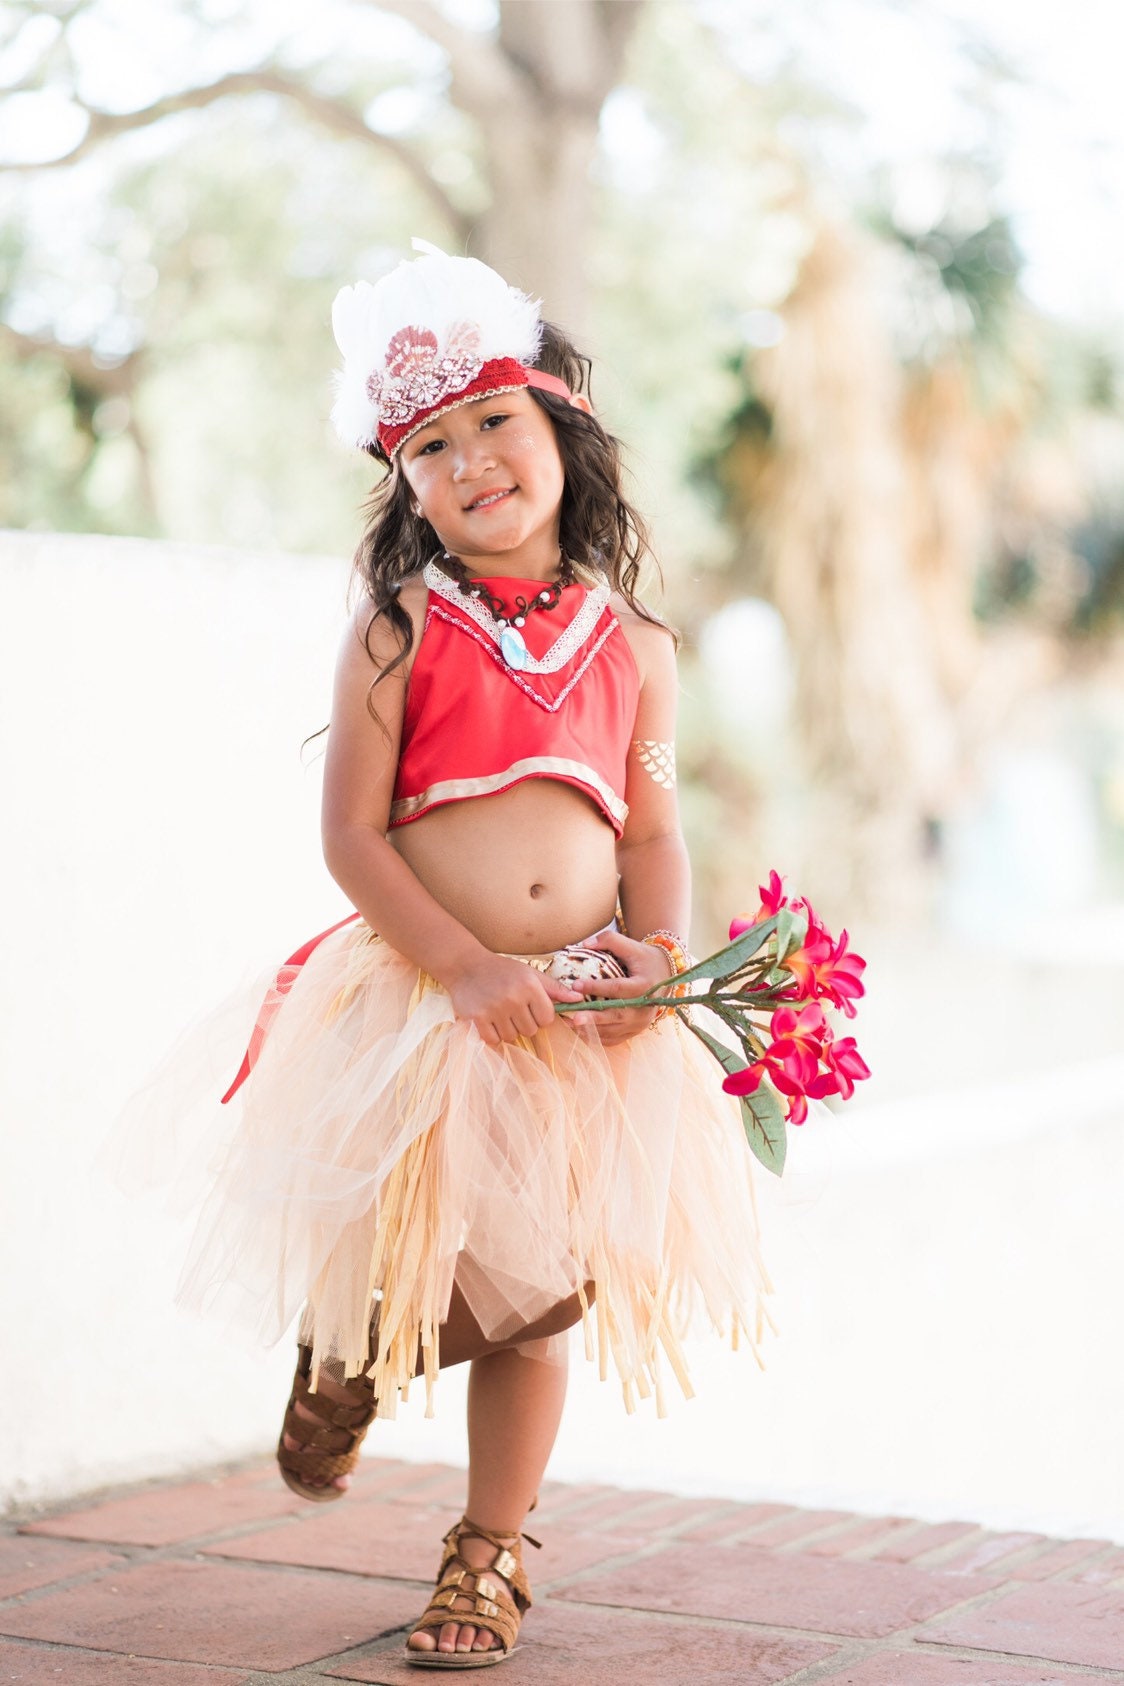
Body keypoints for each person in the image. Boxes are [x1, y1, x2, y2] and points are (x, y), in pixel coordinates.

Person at [143, 243, 772, 1669]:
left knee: (531, 1292)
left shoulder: (642, 652)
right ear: (404, 482)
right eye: (432, 444)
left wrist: (655, 955)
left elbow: (654, 819)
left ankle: (487, 1550)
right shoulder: (396, 633)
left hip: (571, 1019)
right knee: (401, 1249)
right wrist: (463, 963)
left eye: (495, 419)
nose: (474, 457)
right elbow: (355, 839)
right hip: (431, 995)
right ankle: (346, 1349)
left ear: (562, 430)